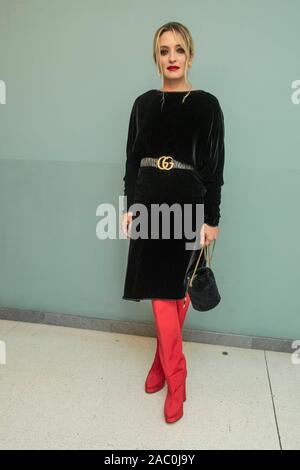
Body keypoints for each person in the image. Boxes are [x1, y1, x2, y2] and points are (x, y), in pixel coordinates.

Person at [121, 22, 225, 423]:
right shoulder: (143, 104)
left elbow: (214, 167)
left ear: (190, 55)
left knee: (175, 295)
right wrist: (130, 204)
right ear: (156, 57)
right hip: (149, 203)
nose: (172, 58)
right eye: (164, 51)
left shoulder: (207, 105)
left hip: (187, 205)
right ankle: (168, 367)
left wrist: (212, 219)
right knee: (160, 293)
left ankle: (169, 372)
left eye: (179, 50)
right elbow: (131, 158)